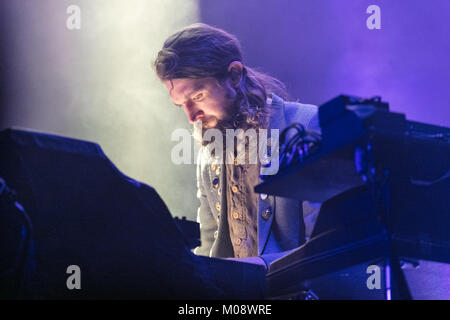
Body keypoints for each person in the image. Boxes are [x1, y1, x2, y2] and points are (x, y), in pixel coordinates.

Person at [154, 23, 320, 270]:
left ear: (234, 74)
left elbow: (325, 247)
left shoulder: (304, 126)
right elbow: (209, 241)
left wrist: (249, 271)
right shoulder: (209, 149)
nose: (190, 117)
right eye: (181, 105)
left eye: (197, 97)